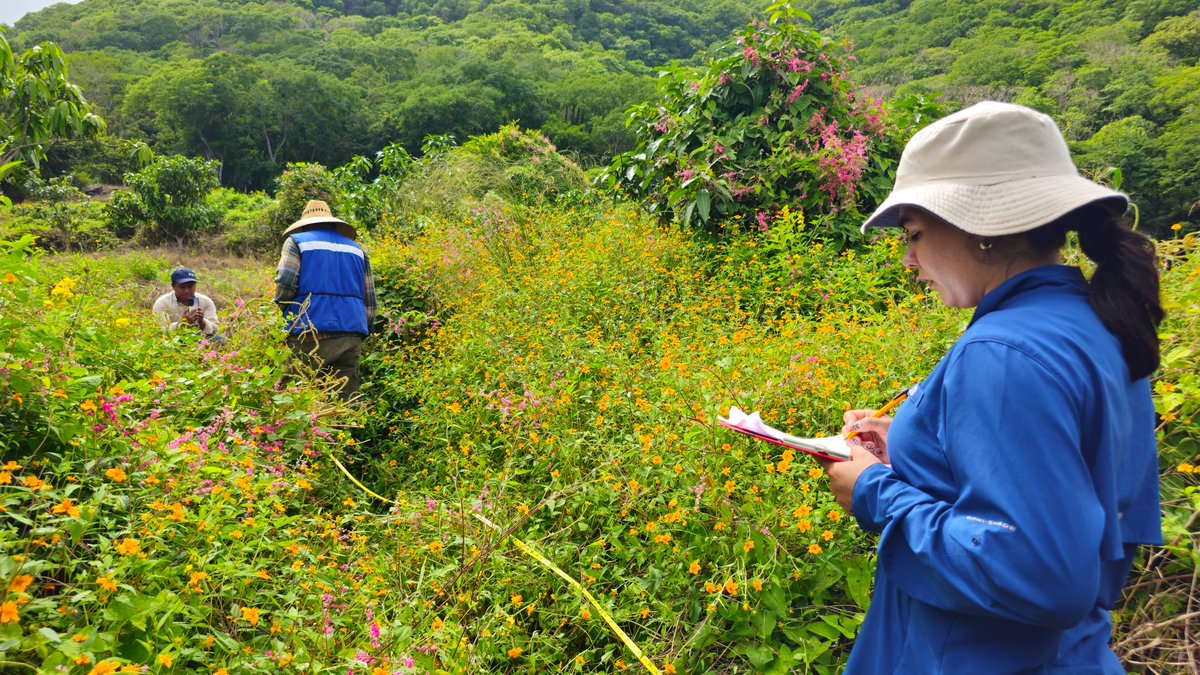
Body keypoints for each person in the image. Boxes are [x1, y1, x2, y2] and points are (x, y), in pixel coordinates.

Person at [818, 101, 1163, 673]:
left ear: (980, 230)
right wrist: (909, 439)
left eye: (915, 233)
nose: (909, 259)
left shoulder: (1001, 354)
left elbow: (1039, 574)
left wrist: (875, 490)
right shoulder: (1092, 322)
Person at [273, 199, 377, 400]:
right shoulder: (358, 250)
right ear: (333, 224)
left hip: (309, 333)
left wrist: (286, 313)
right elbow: (370, 302)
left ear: (305, 225)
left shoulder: (297, 242)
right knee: (342, 403)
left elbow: (285, 282)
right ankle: (341, 432)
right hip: (351, 335)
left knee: (294, 399)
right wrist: (362, 332)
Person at [152, 268, 221, 338]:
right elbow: (159, 331)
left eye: (190, 286)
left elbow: (216, 328)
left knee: (219, 339)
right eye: (182, 287)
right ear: (173, 286)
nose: (186, 291)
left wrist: (202, 322)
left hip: (200, 338)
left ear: (195, 286)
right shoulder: (162, 303)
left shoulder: (205, 301)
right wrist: (182, 323)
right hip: (174, 340)